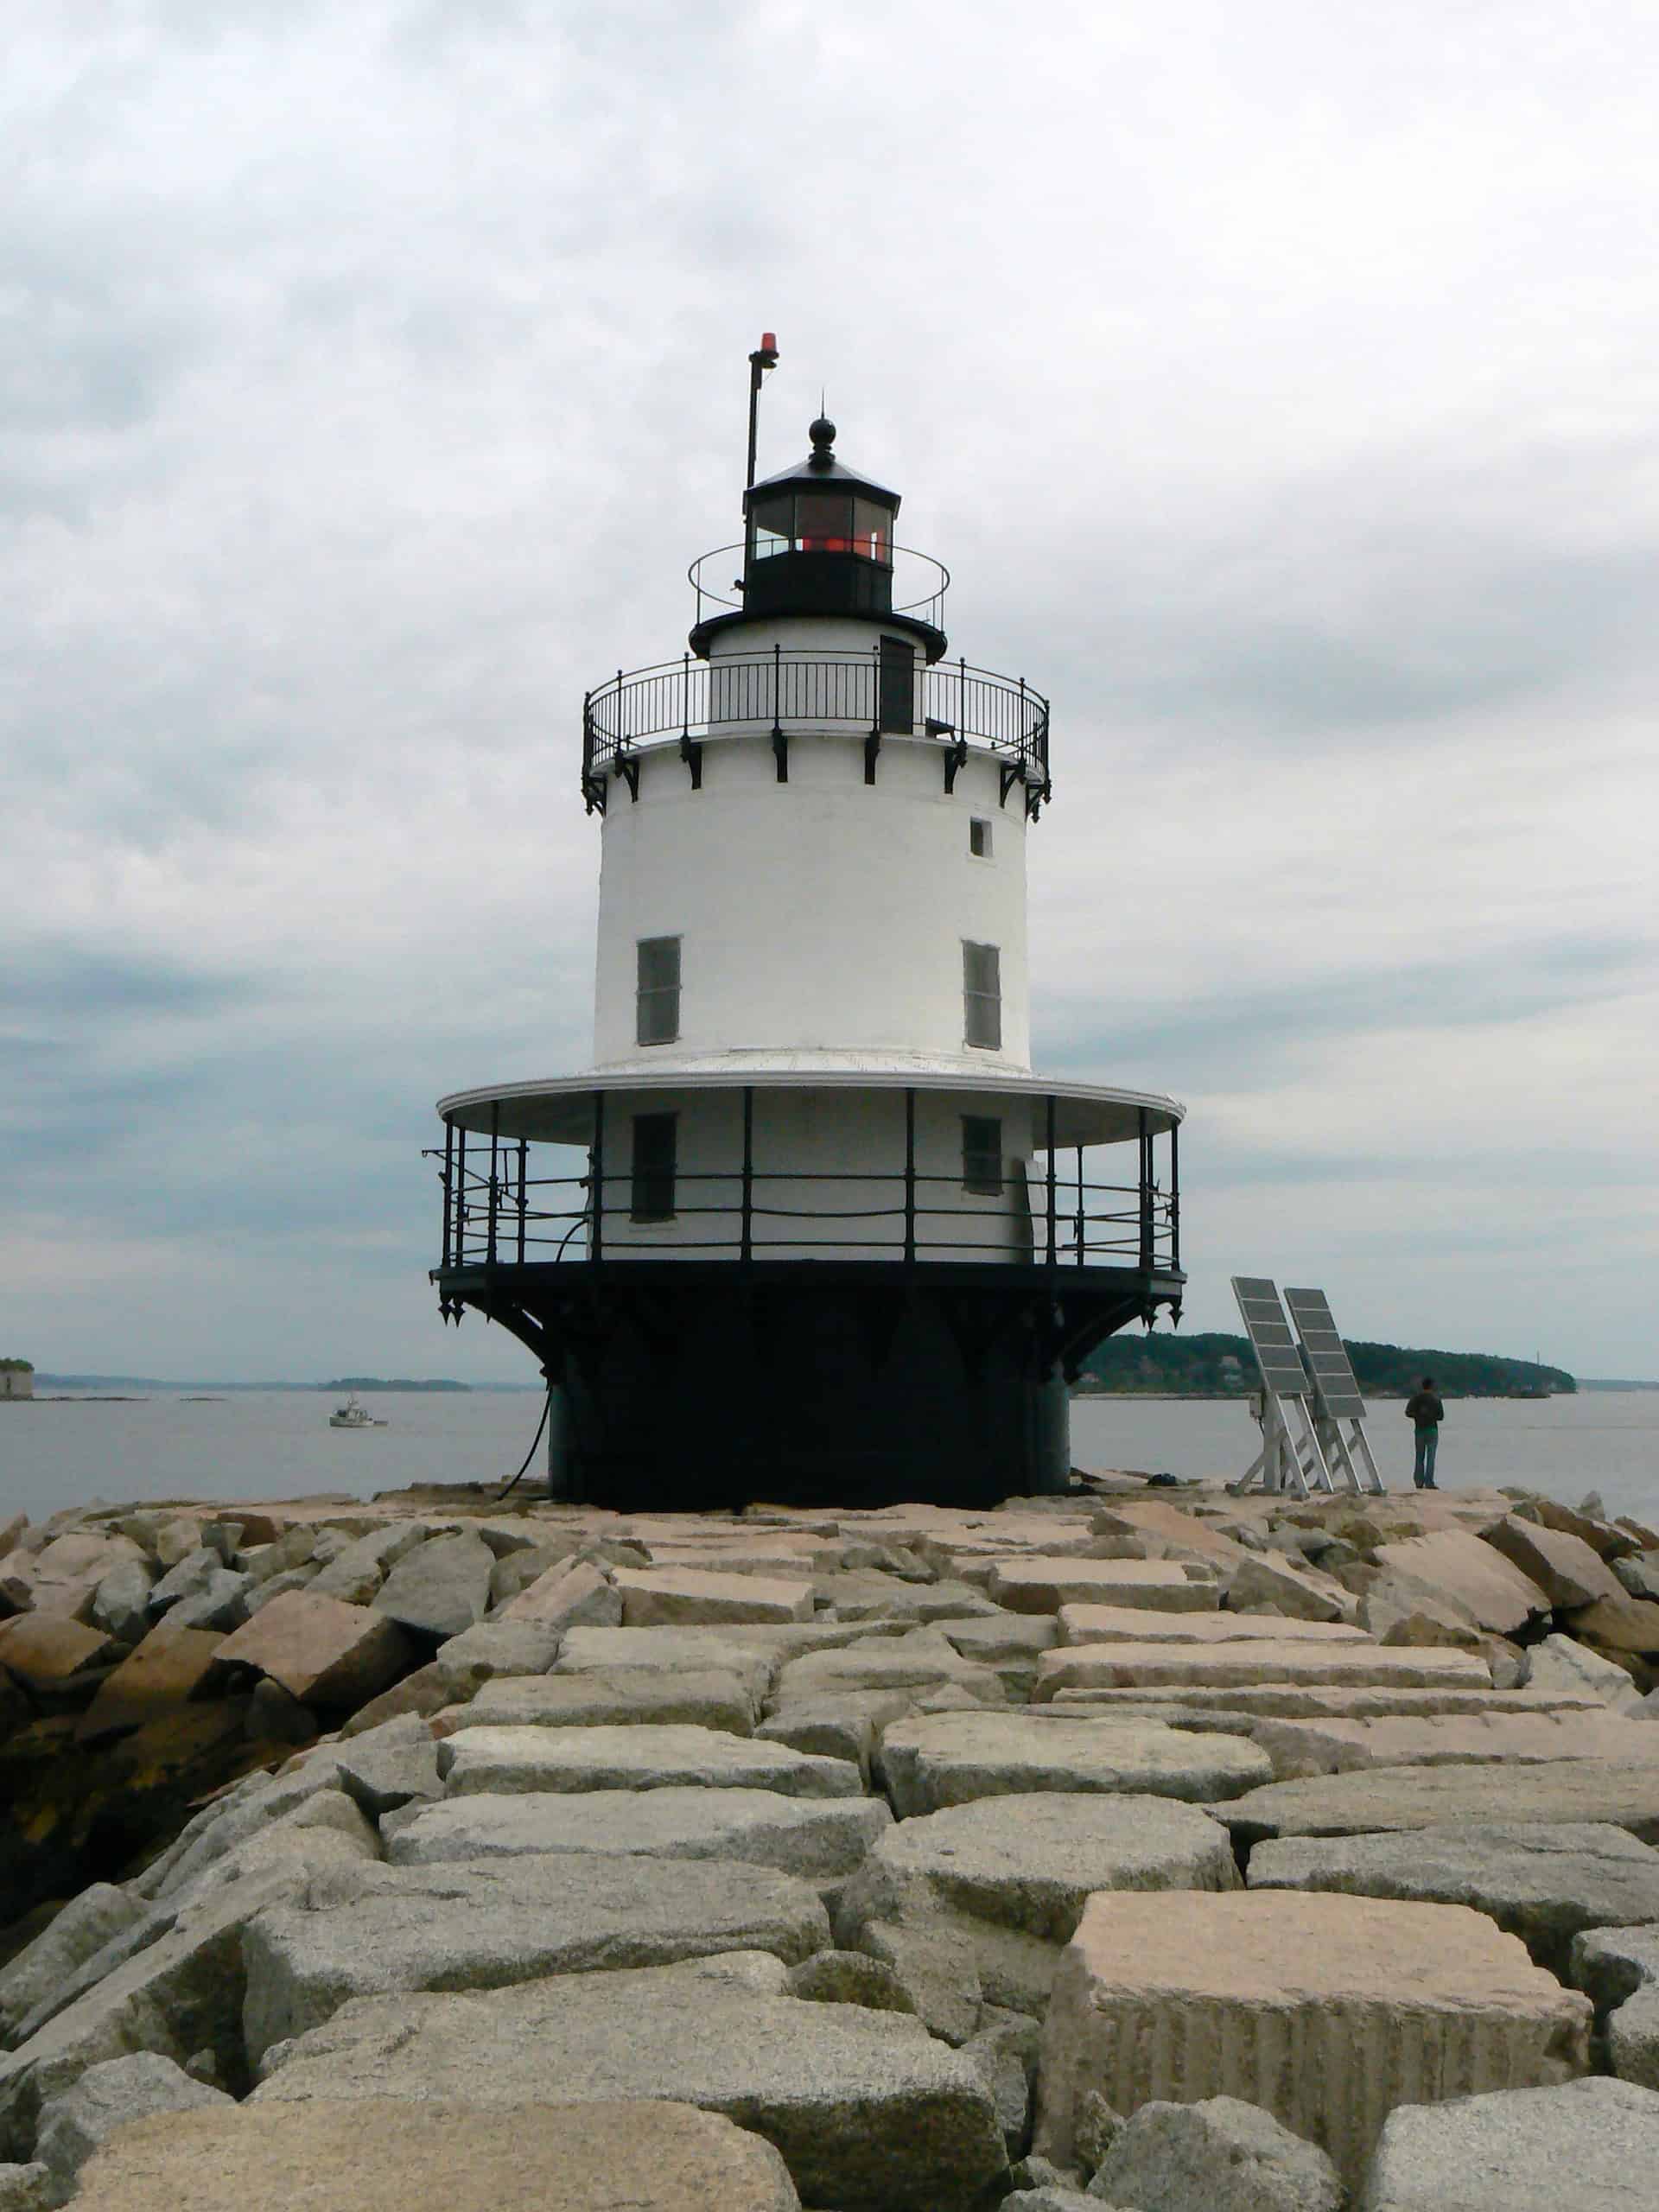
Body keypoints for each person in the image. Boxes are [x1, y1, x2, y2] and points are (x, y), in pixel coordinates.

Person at [1404, 1376, 1445, 1488]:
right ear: (1432, 1386)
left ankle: (1419, 1482)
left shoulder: (1416, 1398)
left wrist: (1418, 1416)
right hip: (1432, 1430)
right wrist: (1431, 1416)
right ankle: (1429, 1482)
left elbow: (1408, 1412)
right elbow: (1441, 1416)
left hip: (1419, 1430)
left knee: (1419, 1457)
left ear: (1422, 1386)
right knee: (1431, 1458)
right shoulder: (1436, 1399)